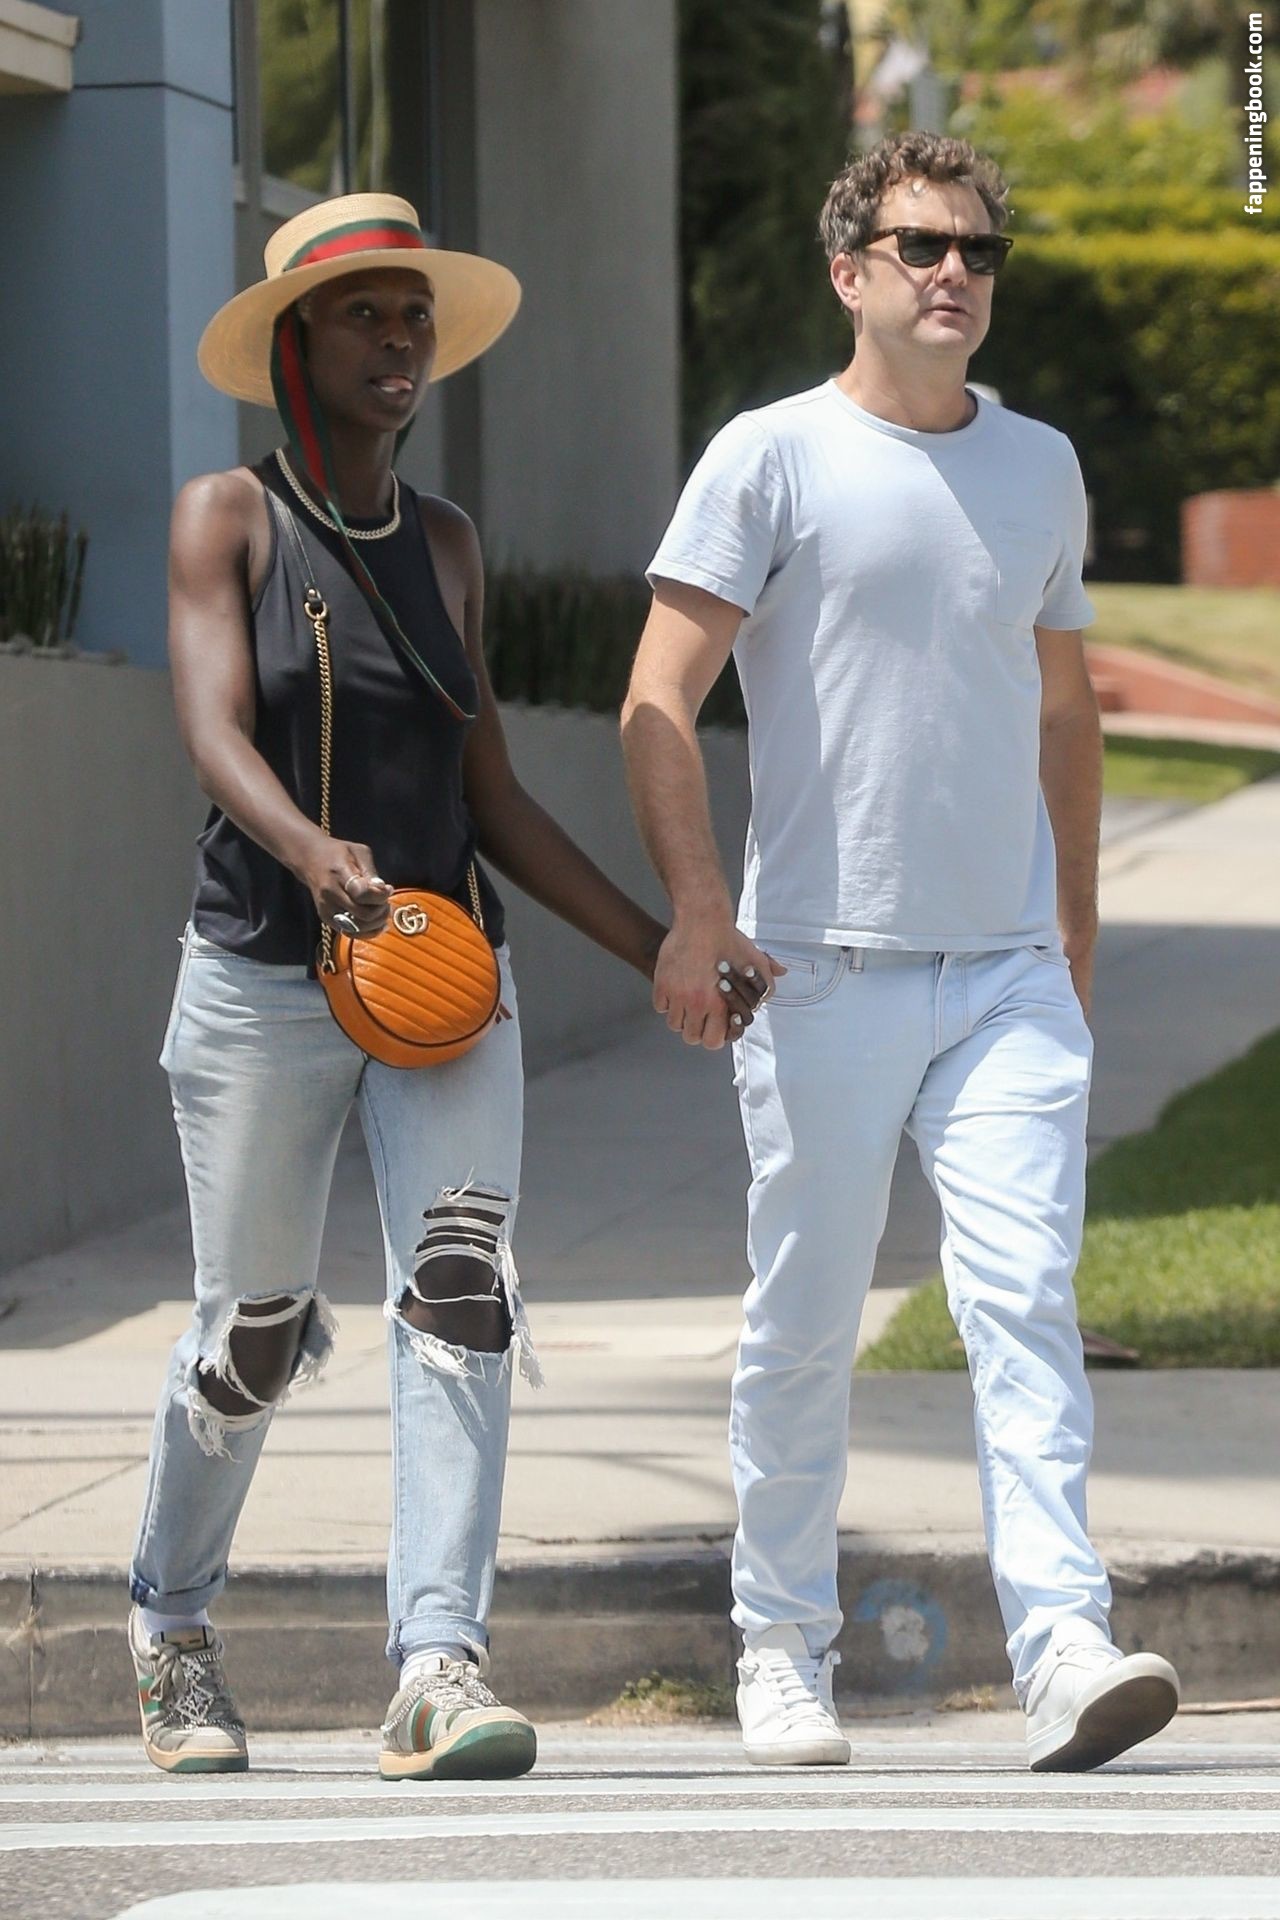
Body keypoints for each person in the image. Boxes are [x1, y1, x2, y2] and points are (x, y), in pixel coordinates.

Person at [128, 192, 765, 1781]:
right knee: (252, 1333)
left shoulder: (449, 547)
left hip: (442, 986)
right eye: (366, 313)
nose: (399, 338)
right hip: (263, 980)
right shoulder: (228, 518)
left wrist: (662, 943)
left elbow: (495, 799)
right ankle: (172, 1630)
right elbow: (210, 732)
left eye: (413, 314)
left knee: (463, 1290)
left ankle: (435, 1664)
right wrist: (309, 851)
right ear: (295, 343)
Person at [621, 133, 1180, 1772]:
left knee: (1023, 1303)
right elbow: (658, 697)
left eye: (980, 252)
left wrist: (1075, 927)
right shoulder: (770, 459)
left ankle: (1064, 1645)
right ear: (849, 270)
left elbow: (1063, 707)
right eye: (923, 245)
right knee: (805, 1322)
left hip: (1005, 974)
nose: (955, 273)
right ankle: (780, 1646)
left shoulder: (1042, 465)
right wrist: (700, 910)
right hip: (822, 972)